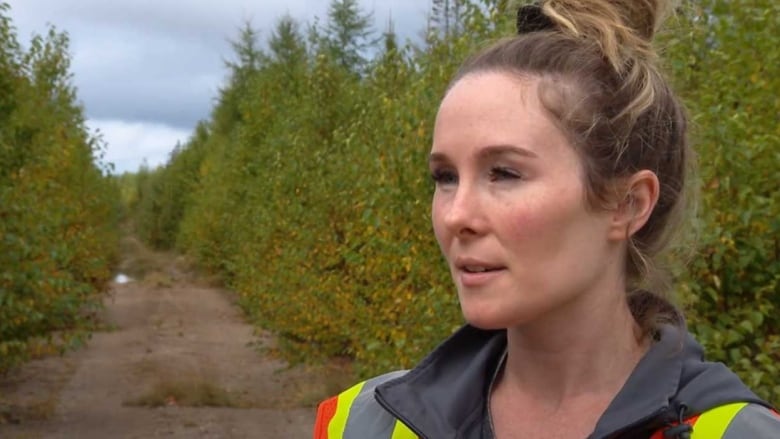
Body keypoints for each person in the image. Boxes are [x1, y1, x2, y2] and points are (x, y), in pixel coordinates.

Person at [313, 0, 780, 437]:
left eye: (505, 173)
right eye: (445, 176)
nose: (456, 216)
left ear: (629, 204)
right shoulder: (363, 421)